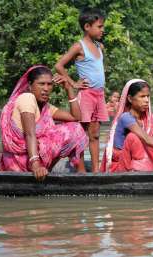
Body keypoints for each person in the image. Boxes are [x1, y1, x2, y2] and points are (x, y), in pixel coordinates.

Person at [0, 66, 88, 181]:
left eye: (49, 84)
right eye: (41, 84)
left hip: (27, 159)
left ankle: (81, 173)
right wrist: (35, 165)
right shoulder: (27, 98)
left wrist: (69, 89)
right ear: (30, 85)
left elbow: (75, 117)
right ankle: (81, 173)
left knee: (75, 126)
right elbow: (29, 134)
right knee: (75, 129)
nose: (46, 88)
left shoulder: (45, 107)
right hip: (23, 162)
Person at [55, 8, 108, 173]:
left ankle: (96, 170)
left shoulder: (99, 46)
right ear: (87, 26)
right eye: (99, 26)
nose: (102, 30)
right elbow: (59, 65)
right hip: (86, 95)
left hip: (99, 95)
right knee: (81, 132)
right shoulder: (79, 46)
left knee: (95, 133)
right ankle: (80, 170)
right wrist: (73, 83)